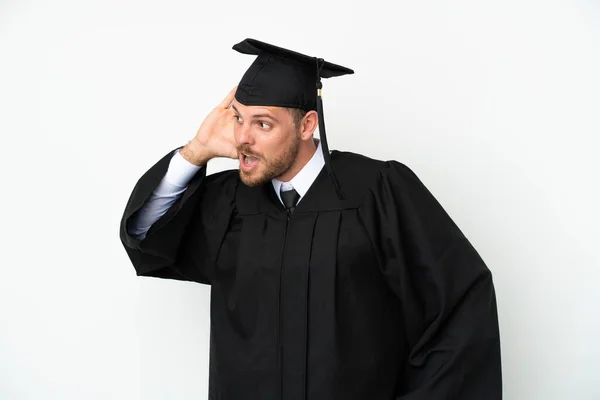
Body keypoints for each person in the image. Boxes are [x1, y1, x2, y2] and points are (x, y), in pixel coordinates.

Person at [119, 38, 502, 399]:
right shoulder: (230, 202)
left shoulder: (375, 192)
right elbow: (147, 236)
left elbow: (460, 303)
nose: (242, 138)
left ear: (307, 125)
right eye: (239, 119)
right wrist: (196, 152)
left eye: (263, 123)